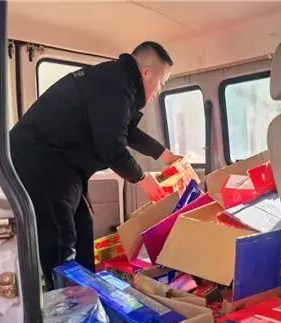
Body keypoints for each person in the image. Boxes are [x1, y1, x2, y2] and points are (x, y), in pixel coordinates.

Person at [10, 41, 180, 288]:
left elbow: (126, 131)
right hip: (42, 161)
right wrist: (142, 179)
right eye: (162, 82)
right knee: (60, 239)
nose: (159, 90)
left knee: (83, 229)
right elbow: (111, 147)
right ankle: (68, 303)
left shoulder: (118, 82)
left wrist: (165, 155)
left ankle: (89, 295)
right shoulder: (115, 82)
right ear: (146, 72)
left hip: (65, 165)